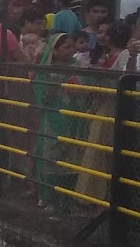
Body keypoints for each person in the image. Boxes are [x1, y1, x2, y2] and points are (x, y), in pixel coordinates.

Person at [73, 18, 133, 204]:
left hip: (110, 106)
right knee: (98, 150)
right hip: (104, 104)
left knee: (101, 151)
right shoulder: (110, 55)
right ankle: (95, 196)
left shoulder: (122, 55)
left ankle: (97, 197)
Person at [32, 32, 83, 210]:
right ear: (55, 50)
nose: (71, 50)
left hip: (74, 119)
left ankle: (68, 199)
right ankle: (49, 198)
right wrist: (57, 83)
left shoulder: (78, 66)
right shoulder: (46, 69)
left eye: (72, 46)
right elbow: (42, 97)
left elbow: (87, 89)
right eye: (66, 47)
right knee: (50, 159)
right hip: (52, 120)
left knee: (72, 160)